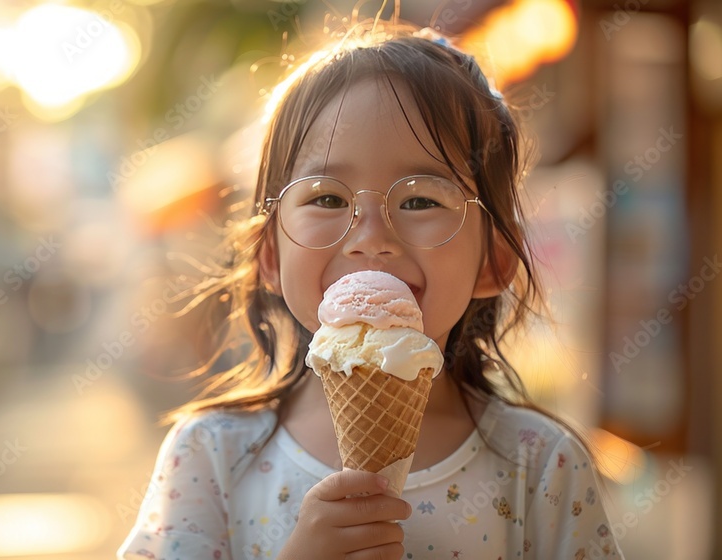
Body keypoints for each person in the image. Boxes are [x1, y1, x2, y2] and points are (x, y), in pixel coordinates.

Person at [118, 23, 624, 560]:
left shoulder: (542, 467)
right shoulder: (210, 457)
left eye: (421, 201)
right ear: (270, 253)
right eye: (328, 199)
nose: (371, 238)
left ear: (494, 260)